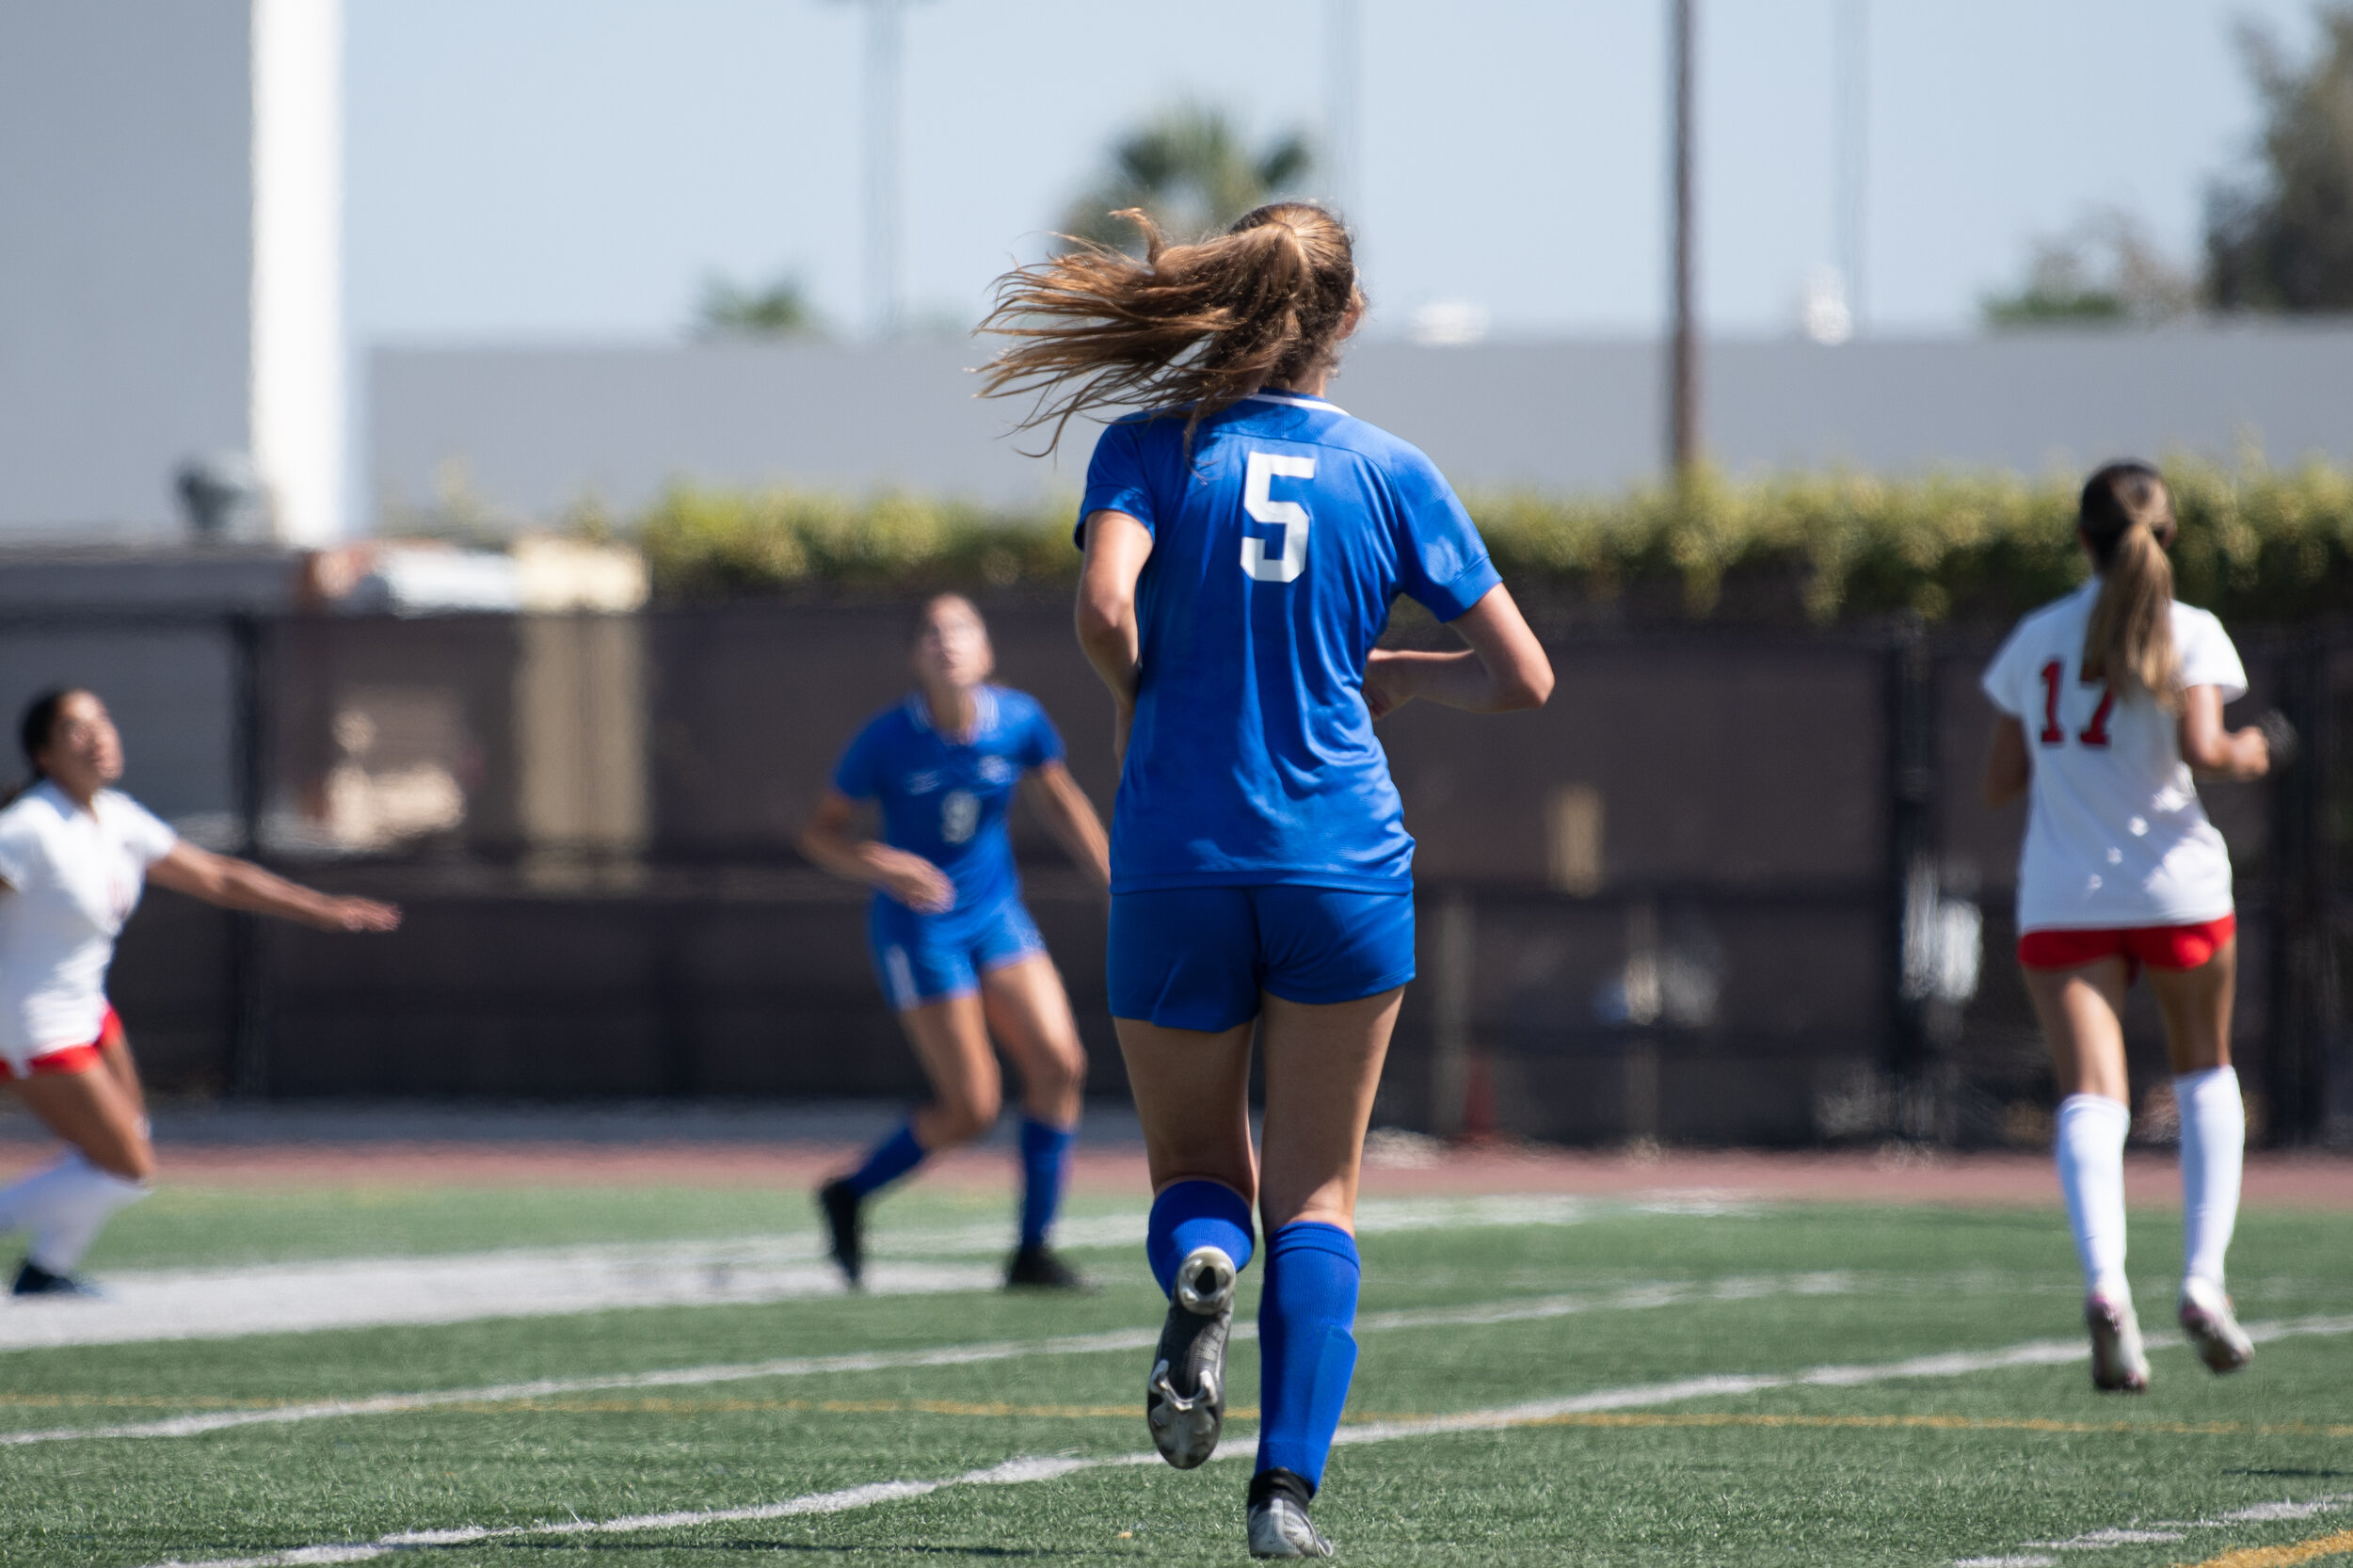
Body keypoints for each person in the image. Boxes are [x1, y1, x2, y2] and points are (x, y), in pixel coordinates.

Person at [979, 203, 1553, 1557]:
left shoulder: (1148, 447)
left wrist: (1148, 698)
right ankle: (1284, 1497)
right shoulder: (1395, 471)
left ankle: (1200, 1261)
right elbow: (1525, 677)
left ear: (1216, 293)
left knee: (1196, 1169)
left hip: (1176, 856)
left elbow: (1105, 606)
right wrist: (1405, 680)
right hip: (1342, 867)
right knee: (1321, 1192)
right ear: (1346, 319)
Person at [1979, 461, 2288, 1393]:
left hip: (2065, 895)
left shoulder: (2036, 636)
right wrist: (2253, 748)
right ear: (2168, 537)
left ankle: (2107, 1288)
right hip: (2177, 891)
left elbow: (1998, 781)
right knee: (2202, 1072)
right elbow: (2204, 748)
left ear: (2082, 539)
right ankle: (2200, 1283)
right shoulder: (2189, 630)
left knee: (2091, 1095)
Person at [0, 687, 401, 1296]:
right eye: (76, 729)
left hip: (86, 1009)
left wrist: (320, 908)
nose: (99, 736)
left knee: (126, 1147)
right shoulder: (28, 829)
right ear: (44, 754)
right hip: (30, 1020)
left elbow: (218, 875)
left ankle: (47, 1269)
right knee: (125, 1172)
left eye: (103, 720)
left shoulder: (115, 817)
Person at [801, 593, 1112, 1291]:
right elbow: (820, 834)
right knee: (973, 1105)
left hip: (996, 915)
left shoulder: (1020, 720)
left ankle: (1033, 1249)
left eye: (963, 630)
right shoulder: (885, 739)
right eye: (934, 633)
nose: (949, 643)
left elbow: (1060, 798)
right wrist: (884, 863)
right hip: (921, 927)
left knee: (1062, 1064)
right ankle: (849, 1193)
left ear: (987, 651)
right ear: (916, 656)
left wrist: (1111, 880)